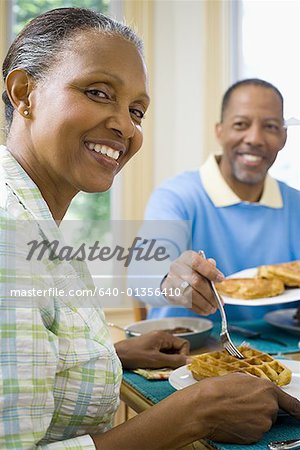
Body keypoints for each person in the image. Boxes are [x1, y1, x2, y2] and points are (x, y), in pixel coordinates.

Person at [0, 8, 299, 449]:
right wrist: (194, 411)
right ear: (24, 94)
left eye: (136, 110)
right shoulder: (12, 238)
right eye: (98, 92)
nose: (125, 124)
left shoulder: (38, 228)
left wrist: (112, 354)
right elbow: (145, 272)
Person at [132, 78, 300, 322]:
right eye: (241, 124)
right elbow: (141, 276)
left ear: (284, 137)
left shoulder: (295, 204)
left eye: (271, 126)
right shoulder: (177, 196)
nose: (254, 138)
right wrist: (169, 279)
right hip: (187, 349)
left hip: (281, 350)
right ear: (219, 131)